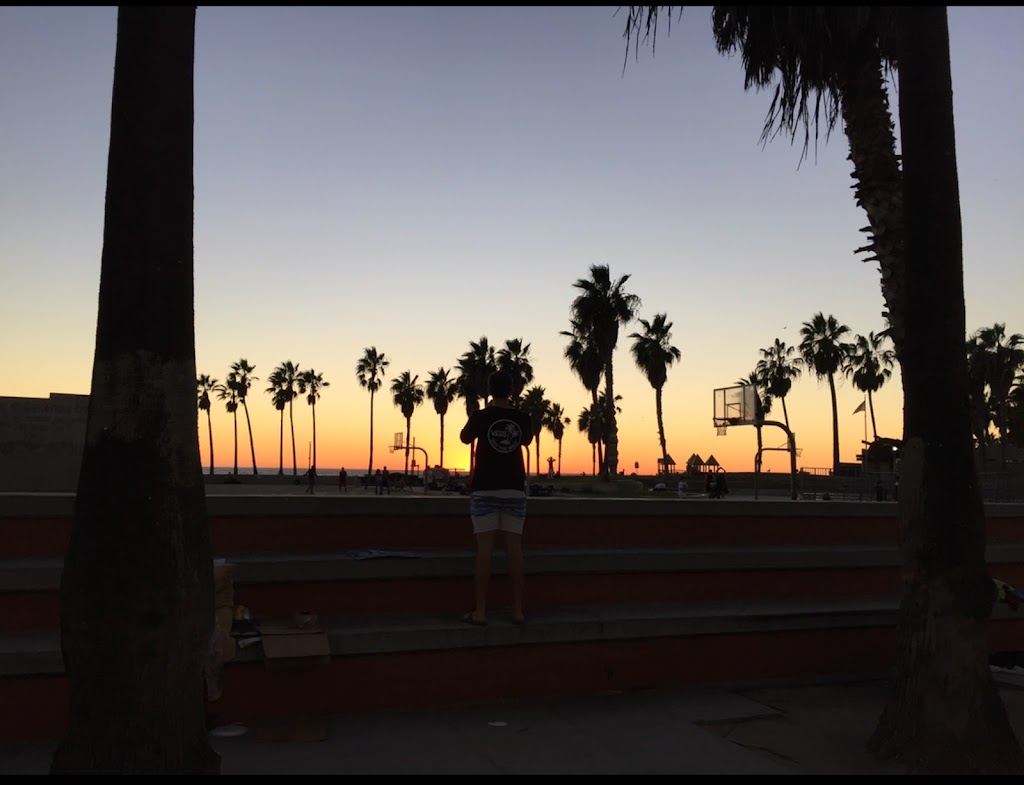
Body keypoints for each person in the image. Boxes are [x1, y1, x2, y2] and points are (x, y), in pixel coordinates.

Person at [459, 370, 533, 627]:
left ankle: (480, 611)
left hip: (484, 489)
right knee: (515, 549)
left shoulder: (481, 416)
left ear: (490, 389)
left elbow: (464, 437)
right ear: (512, 390)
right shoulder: (522, 417)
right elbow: (526, 440)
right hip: (514, 489)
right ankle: (518, 610)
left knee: (484, 551)